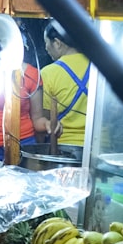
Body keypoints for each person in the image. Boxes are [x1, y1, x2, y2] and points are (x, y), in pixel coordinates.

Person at [39, 21, 90, 151]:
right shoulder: (99, 68)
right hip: (98, 146)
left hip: (64, 147)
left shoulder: (48, 73)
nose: (46, 48)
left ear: (57, 43)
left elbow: (45, 119)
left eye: (46, 43)